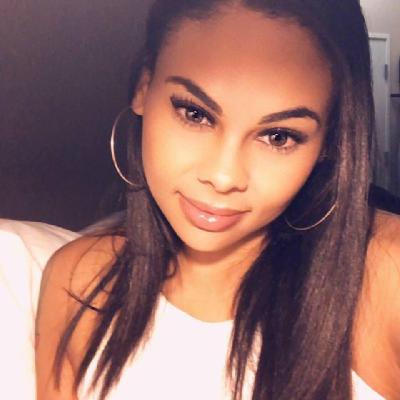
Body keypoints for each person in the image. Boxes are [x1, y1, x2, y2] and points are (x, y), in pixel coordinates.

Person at [35, 0, 400, 399]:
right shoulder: (79, 279)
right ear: (143, 87)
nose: (224, 177)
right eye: (195, 113)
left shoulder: (385, 274)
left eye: (278, 136)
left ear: (328, 141)